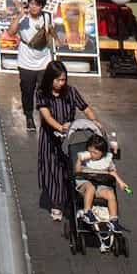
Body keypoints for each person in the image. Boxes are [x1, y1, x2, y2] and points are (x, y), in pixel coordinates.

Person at [36, 60, 104, 221]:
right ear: (50, 79)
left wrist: (94, 121)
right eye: (58, 80)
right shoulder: (41, 93)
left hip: (71, 138)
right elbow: (46, 116)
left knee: (70, 170)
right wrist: (60, 128)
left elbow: (85, 108)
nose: (61, 83)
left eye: (63, 80)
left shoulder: (71, 92)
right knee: (53, 171)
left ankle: (70, 201)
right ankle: (56, 204)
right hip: (50, 139)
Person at [6, 0, 54, 132]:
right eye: (32, 4)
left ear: (42, 6)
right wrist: (19, 16)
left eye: (37, 5)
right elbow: (10, 33)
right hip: (26, 61)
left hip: (44, 60)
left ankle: (45, 118)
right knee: (27, 90)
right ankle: (29, 116)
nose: (34, 7)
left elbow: (50, 32)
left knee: (44, 90)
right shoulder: (23, 18)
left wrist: (58, 41)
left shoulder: (46, 17)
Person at [73, 131, 130, 233]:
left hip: (100, 186)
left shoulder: (106, 160)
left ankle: (113, 220)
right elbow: (77, 171)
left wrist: (121, 182)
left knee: (110, 194)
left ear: (102, 153)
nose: (92, 154)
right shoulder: (85, 159)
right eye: (90, 151)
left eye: (95, 153)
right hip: (85, 184)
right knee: (90, 187)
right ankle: (87, 212)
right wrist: (79, 161)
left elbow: (112, 172)